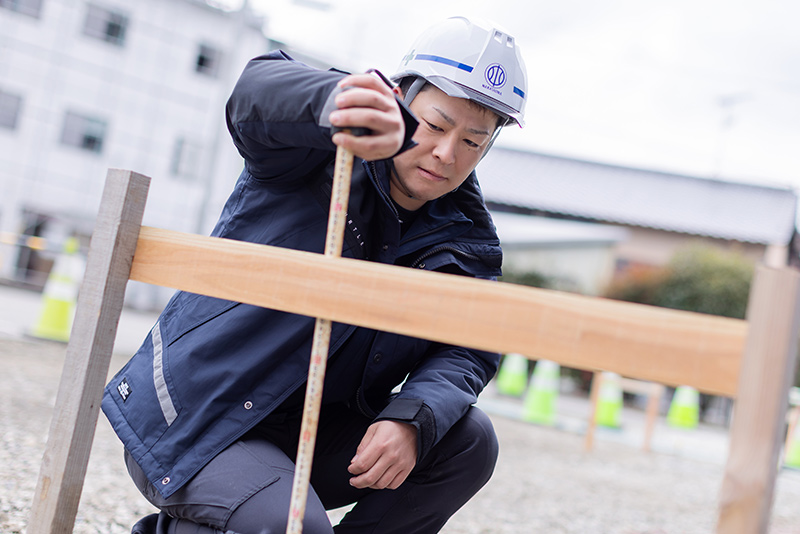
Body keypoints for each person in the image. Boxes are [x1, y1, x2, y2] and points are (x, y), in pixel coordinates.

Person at [103, 15, 527, 534]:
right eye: (435, 125)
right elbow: (254, 93)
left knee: (468, 439)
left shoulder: (466, 242)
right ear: (400, 97)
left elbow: (468, 348)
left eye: (474, 141)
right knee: (292, 526)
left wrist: (412, 417)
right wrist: (338, 101)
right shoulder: (315, 154)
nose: (446, 152)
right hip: (200, 417)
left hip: (310, 434)